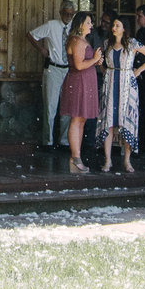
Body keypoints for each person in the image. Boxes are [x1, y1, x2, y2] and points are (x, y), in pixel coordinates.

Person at [95, 14, 145, 173]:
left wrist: (138, 71)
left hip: (127, 85)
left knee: (127, 122)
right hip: (110, 84)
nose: (113, 28)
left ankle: (127, 161)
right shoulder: (107, 43)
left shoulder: (132, 43)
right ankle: (107, 160)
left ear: (124, 29)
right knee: (108, 123)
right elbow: (103, 69)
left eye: (117, 25)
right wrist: (100, 65)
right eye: (113, 25)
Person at [57, 13, 101, 173]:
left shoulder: (82, 40)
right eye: (88, 22)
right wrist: (95, 59)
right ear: (81, 24)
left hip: (85, 82)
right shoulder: (76, 41)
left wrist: (96, 60)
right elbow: (79, 65)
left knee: (81, 119)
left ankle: (77, 157)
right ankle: (75, 158)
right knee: (76, 119)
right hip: (79, 82)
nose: (91, 25)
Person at [28, 16, 71, 148]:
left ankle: (64, 141)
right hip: (53, 68)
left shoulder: (73, 27)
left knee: (67, 107)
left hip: (68, 69)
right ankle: (48, 141)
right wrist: (41, 49)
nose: (68, 16)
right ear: (61, 12)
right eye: (66, 13)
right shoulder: (51, 25)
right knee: (50, 106)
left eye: (71, 13)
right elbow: (31, 35)